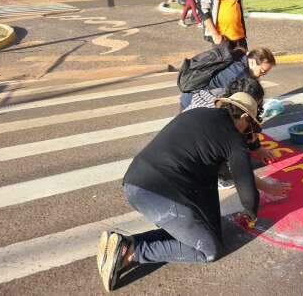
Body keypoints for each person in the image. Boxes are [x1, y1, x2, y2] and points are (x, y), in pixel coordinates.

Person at [97, 92, 286, 292]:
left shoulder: (197, 114)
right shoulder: (233, 138)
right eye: (249, 126)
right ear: (246, 118)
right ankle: (133, 253)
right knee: (209, 250)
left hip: (135, 183)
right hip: (161, 195)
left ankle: (125, 243)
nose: (248, 132)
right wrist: (251, 213)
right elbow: (246, 188)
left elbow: (226, 172)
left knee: (204, 230)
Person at [180, 47, 276, 111]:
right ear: (252, 62)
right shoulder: (239, 75)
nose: (263, 75)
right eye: (263, 71)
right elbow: (230, 104)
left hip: (192, 96)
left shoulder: (240, 58)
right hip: (195, 101)